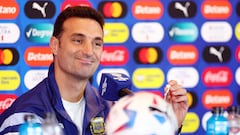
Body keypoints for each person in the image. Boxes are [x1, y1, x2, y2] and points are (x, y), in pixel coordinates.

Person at [0, 6, 188, 135]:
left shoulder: (111, 108)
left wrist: (171, 123)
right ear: (55, 45)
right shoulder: (26, 116)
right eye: (78, 40)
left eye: (97, 43)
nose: (89, 51)